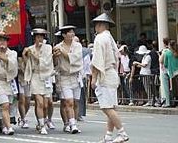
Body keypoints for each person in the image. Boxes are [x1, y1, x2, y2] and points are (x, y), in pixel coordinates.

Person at [90, 13, 128, 143]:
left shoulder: (100, 38)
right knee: (110, 106)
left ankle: (122, 132)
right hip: (112, 73)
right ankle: (108, 136)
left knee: (107, 108)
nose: (95, 27)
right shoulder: (110, 38)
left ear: (100, 25)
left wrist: (93, 78)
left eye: (96, 25)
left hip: (105, 74)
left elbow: (97, 60)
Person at [23, 28, 54, 135]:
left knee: (46, 104)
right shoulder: (30, 48)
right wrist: (25, 55)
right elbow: (27, 65)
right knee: (39, 102)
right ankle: (42, 125)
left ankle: (44, 120)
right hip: (35, 76)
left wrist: (33, 55)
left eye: (41, 37)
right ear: (34, 38)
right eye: (37, 37)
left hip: (46, 77)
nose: (39, 39)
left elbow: (46, 63)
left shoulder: (48, 48)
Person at [53, 26, 83, 134]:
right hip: (64, 77)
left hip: (75, 76)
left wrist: (63, 52)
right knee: (67, 101)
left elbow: (74, 58)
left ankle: (73, 121)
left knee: (75, 102)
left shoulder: (77, 46)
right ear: (64, 35)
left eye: (73, 32)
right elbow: (55, 63)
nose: (72, 34)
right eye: (70, 32)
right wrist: (55, 56)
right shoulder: (58, 46)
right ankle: (70, 124)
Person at [163, 40, 178, 107]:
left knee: (174, 88)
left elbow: (165, 64)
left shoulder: (167, 53)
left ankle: (174, 101)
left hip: (172, 73)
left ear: (169, 46)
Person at [16, 53, 31, 129]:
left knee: (28, 101)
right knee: (22, 99)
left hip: (28, 81)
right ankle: (24, 119)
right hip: (20, 80)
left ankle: (22, 117)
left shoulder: (30, 57)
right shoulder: (18, 58)